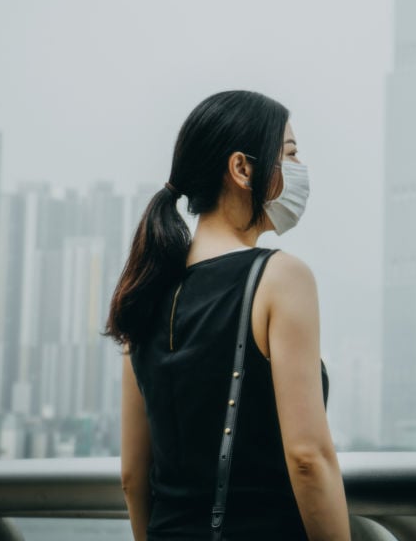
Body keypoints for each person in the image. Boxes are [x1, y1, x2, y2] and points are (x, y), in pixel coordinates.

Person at [104, 90, 350, 541]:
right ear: (242, 169)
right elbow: (308, 459)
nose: (299, 170)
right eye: (290, 154)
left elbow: (133, 477)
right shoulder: (280, 278)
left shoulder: (145, 289)